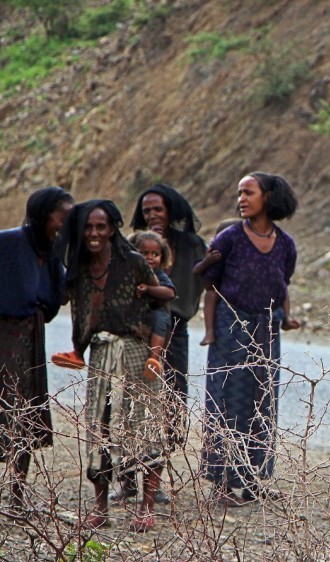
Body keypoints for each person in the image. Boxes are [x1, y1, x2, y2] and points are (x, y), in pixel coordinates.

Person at [57, 200, 164, 532]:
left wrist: (154, 353)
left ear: (113, 229)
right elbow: (68, 302)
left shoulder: (132, 262)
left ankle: (146, 508)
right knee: (99, 427)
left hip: (135, 351)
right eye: (88, 227)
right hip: (101, 354)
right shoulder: (78, 267)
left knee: (144, 424)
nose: (94, 233)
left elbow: (161, 300)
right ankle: (101, 507)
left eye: (100, 227)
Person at [200, 172, 300, 506]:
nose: (242, 199)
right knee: (227, 403)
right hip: (231, 328)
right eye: (239, 193)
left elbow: (282, 284)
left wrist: (285, 319)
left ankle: (254, 481)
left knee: (262, 405)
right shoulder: (229, 238)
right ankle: (222, 485)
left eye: (249, 193)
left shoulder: (285, 244)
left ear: (268, 197)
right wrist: (212, 331)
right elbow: (210, 287)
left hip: (266, 331)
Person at [128, 184, 206, 504]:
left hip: (175, 330)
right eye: (147, 211)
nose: (152, 216)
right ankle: (128, 477)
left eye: (158, 209)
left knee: (170, 403)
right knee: (133, 403)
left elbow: (202, 281)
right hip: (136, 330)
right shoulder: (133, 246)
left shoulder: (191, 246)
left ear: (171, 210)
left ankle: (153, 476)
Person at [0, 187, 73, 509]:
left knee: (27, 414)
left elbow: (57, 295)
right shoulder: (8, 243)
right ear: (44, 215)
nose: (66, 224)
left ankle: (16, 496)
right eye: (63, 217)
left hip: (30, 338)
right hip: (3, 334)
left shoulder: (53, 251)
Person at [129, 231, 177, 379]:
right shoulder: (129, 272)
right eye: (144, 253)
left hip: (155, 310)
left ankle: (153, 360)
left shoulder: (159, 274)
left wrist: (149, 289)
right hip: (134, 314)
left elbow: (169, 293)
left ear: (162, 257)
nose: (150, 258)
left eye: (155, 254)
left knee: (161, 319)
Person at [193, 218, 242, 346]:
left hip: (237, 293)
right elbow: (196, 271)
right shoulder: (213, 253)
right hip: (217, 288)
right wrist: (207, 261)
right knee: (210, 295)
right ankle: (209, 332)